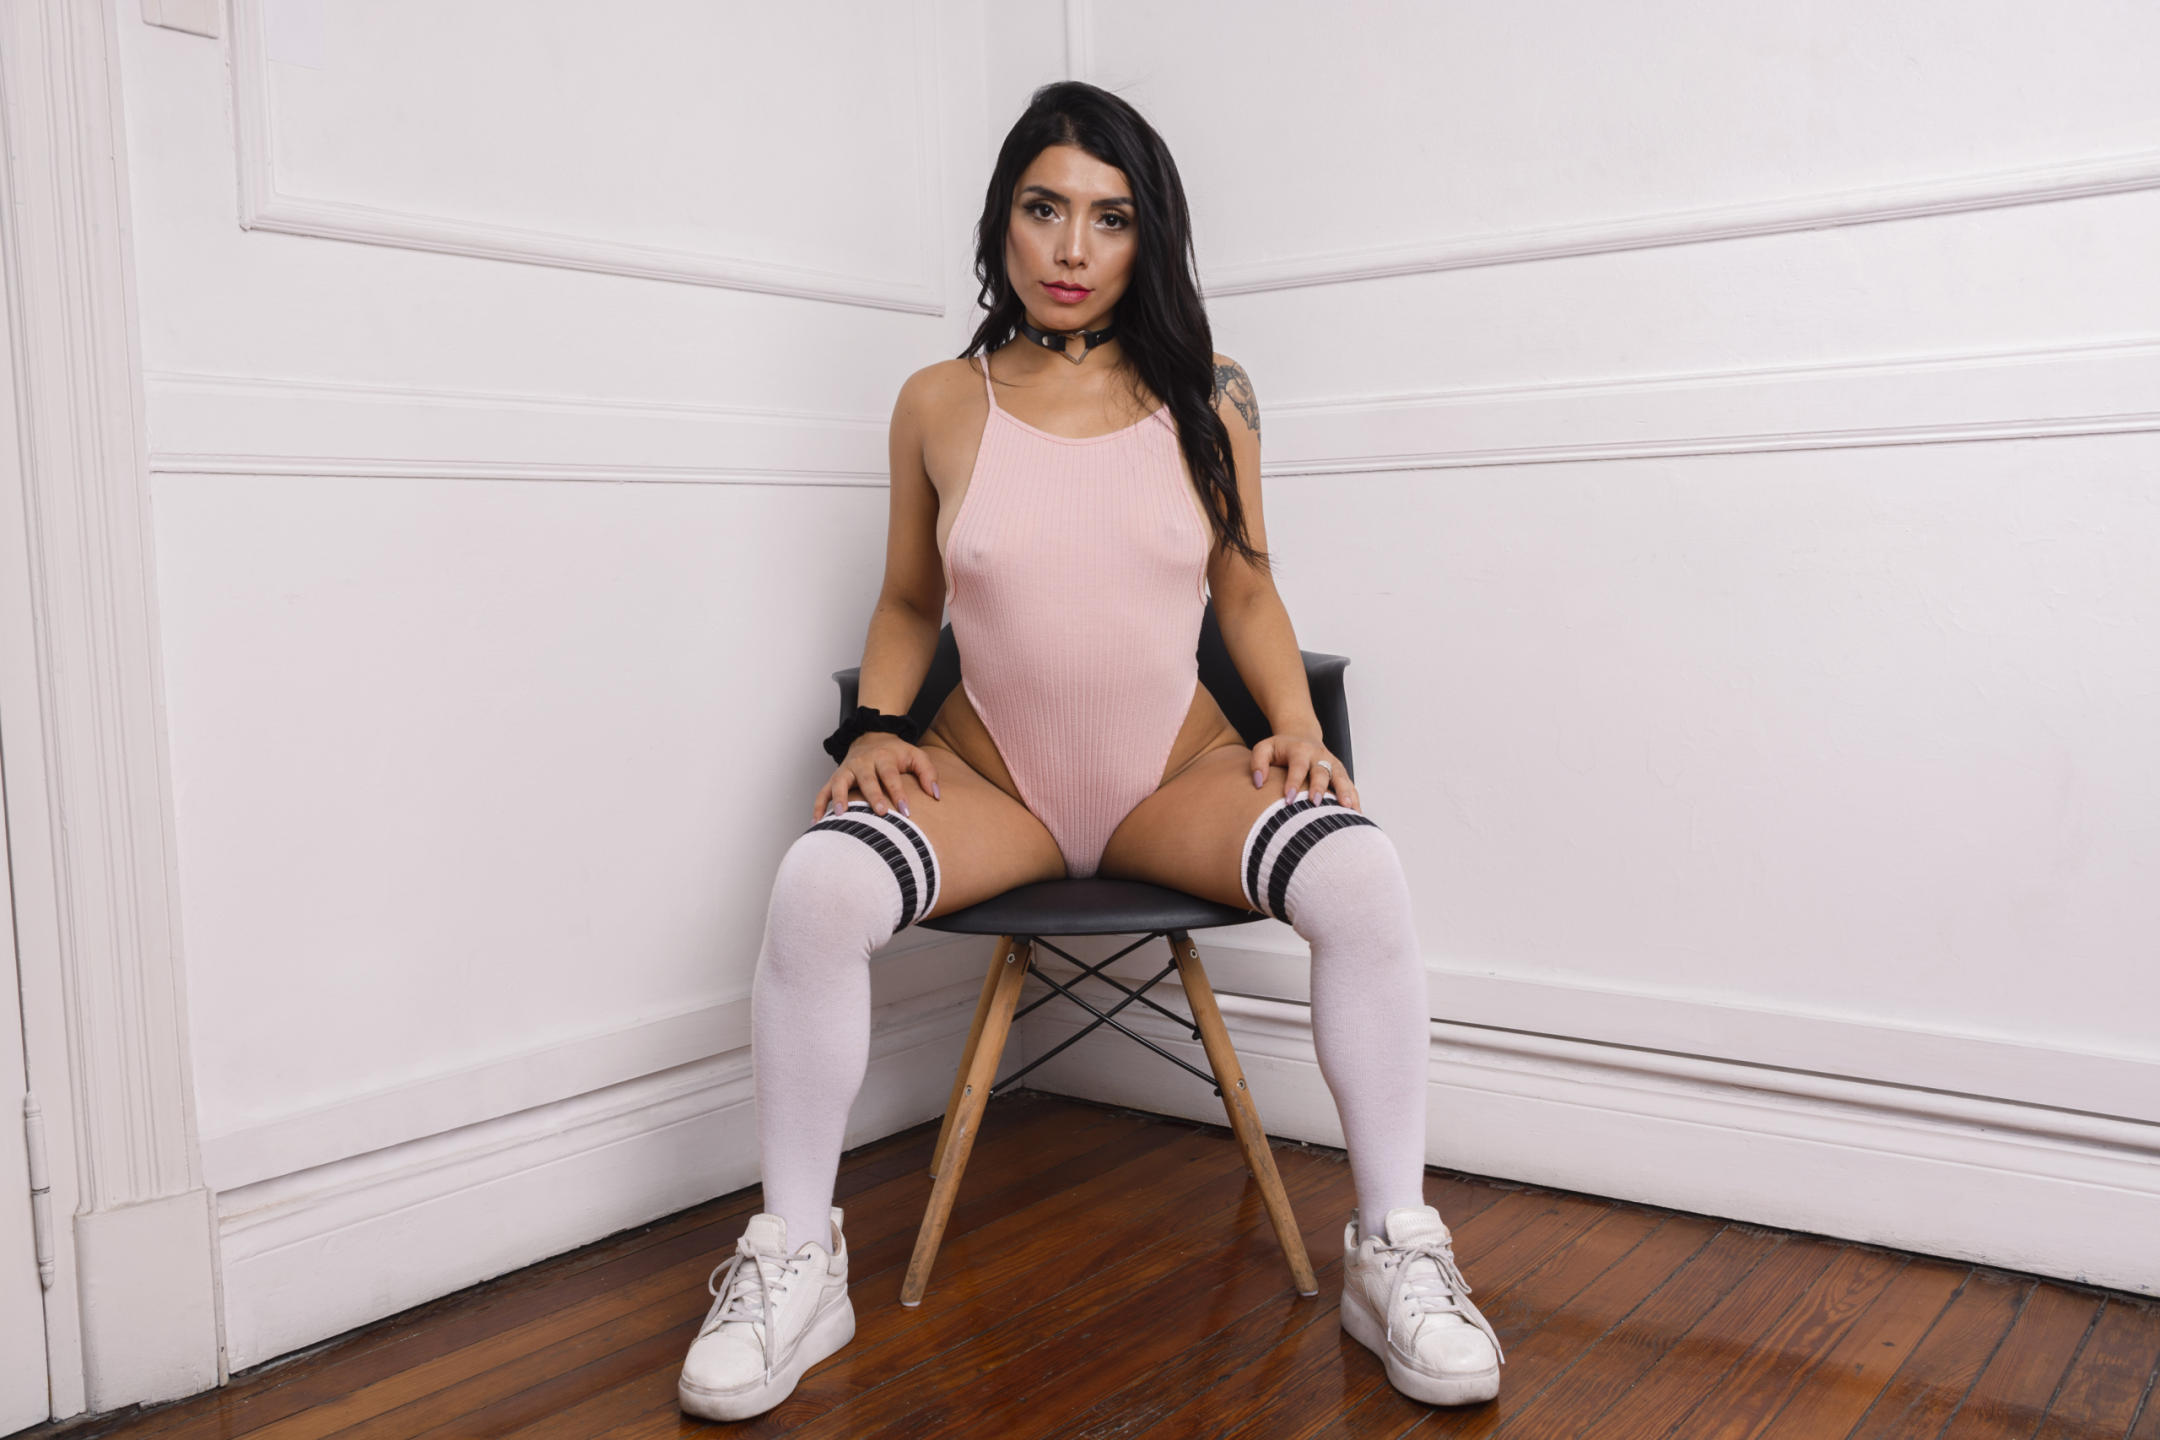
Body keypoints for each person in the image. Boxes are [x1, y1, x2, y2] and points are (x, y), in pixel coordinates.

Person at [675, 80, 1503, 1423]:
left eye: (1110, 218)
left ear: (1148, 234)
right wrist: (875, 728)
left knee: (1362, 874)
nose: (1071, 249)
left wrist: (1295, 730)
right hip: (990, 783)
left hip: (1168, 779)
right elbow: (908, 602)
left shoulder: (1210, 396)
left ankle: (1394, 1248)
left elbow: (1246, 591)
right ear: (1000, 222)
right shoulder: (937, 402)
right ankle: (795, 1263)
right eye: (1044, 209)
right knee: (817, 886)